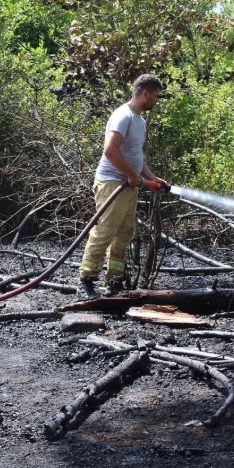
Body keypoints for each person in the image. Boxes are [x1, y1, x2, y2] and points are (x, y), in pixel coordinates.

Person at [78, 74, 170, 299]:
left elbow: (137, 157)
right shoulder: (123, 116)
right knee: (106, 230)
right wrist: (130, 175)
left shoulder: (139, 120)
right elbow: (110, 151)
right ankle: (88, 279)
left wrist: (153, 178)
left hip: (129, 184)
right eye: (156, 96)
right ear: (145, 93)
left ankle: (114, 281)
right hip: (112, 183)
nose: (156, 101)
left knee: (125, 231)